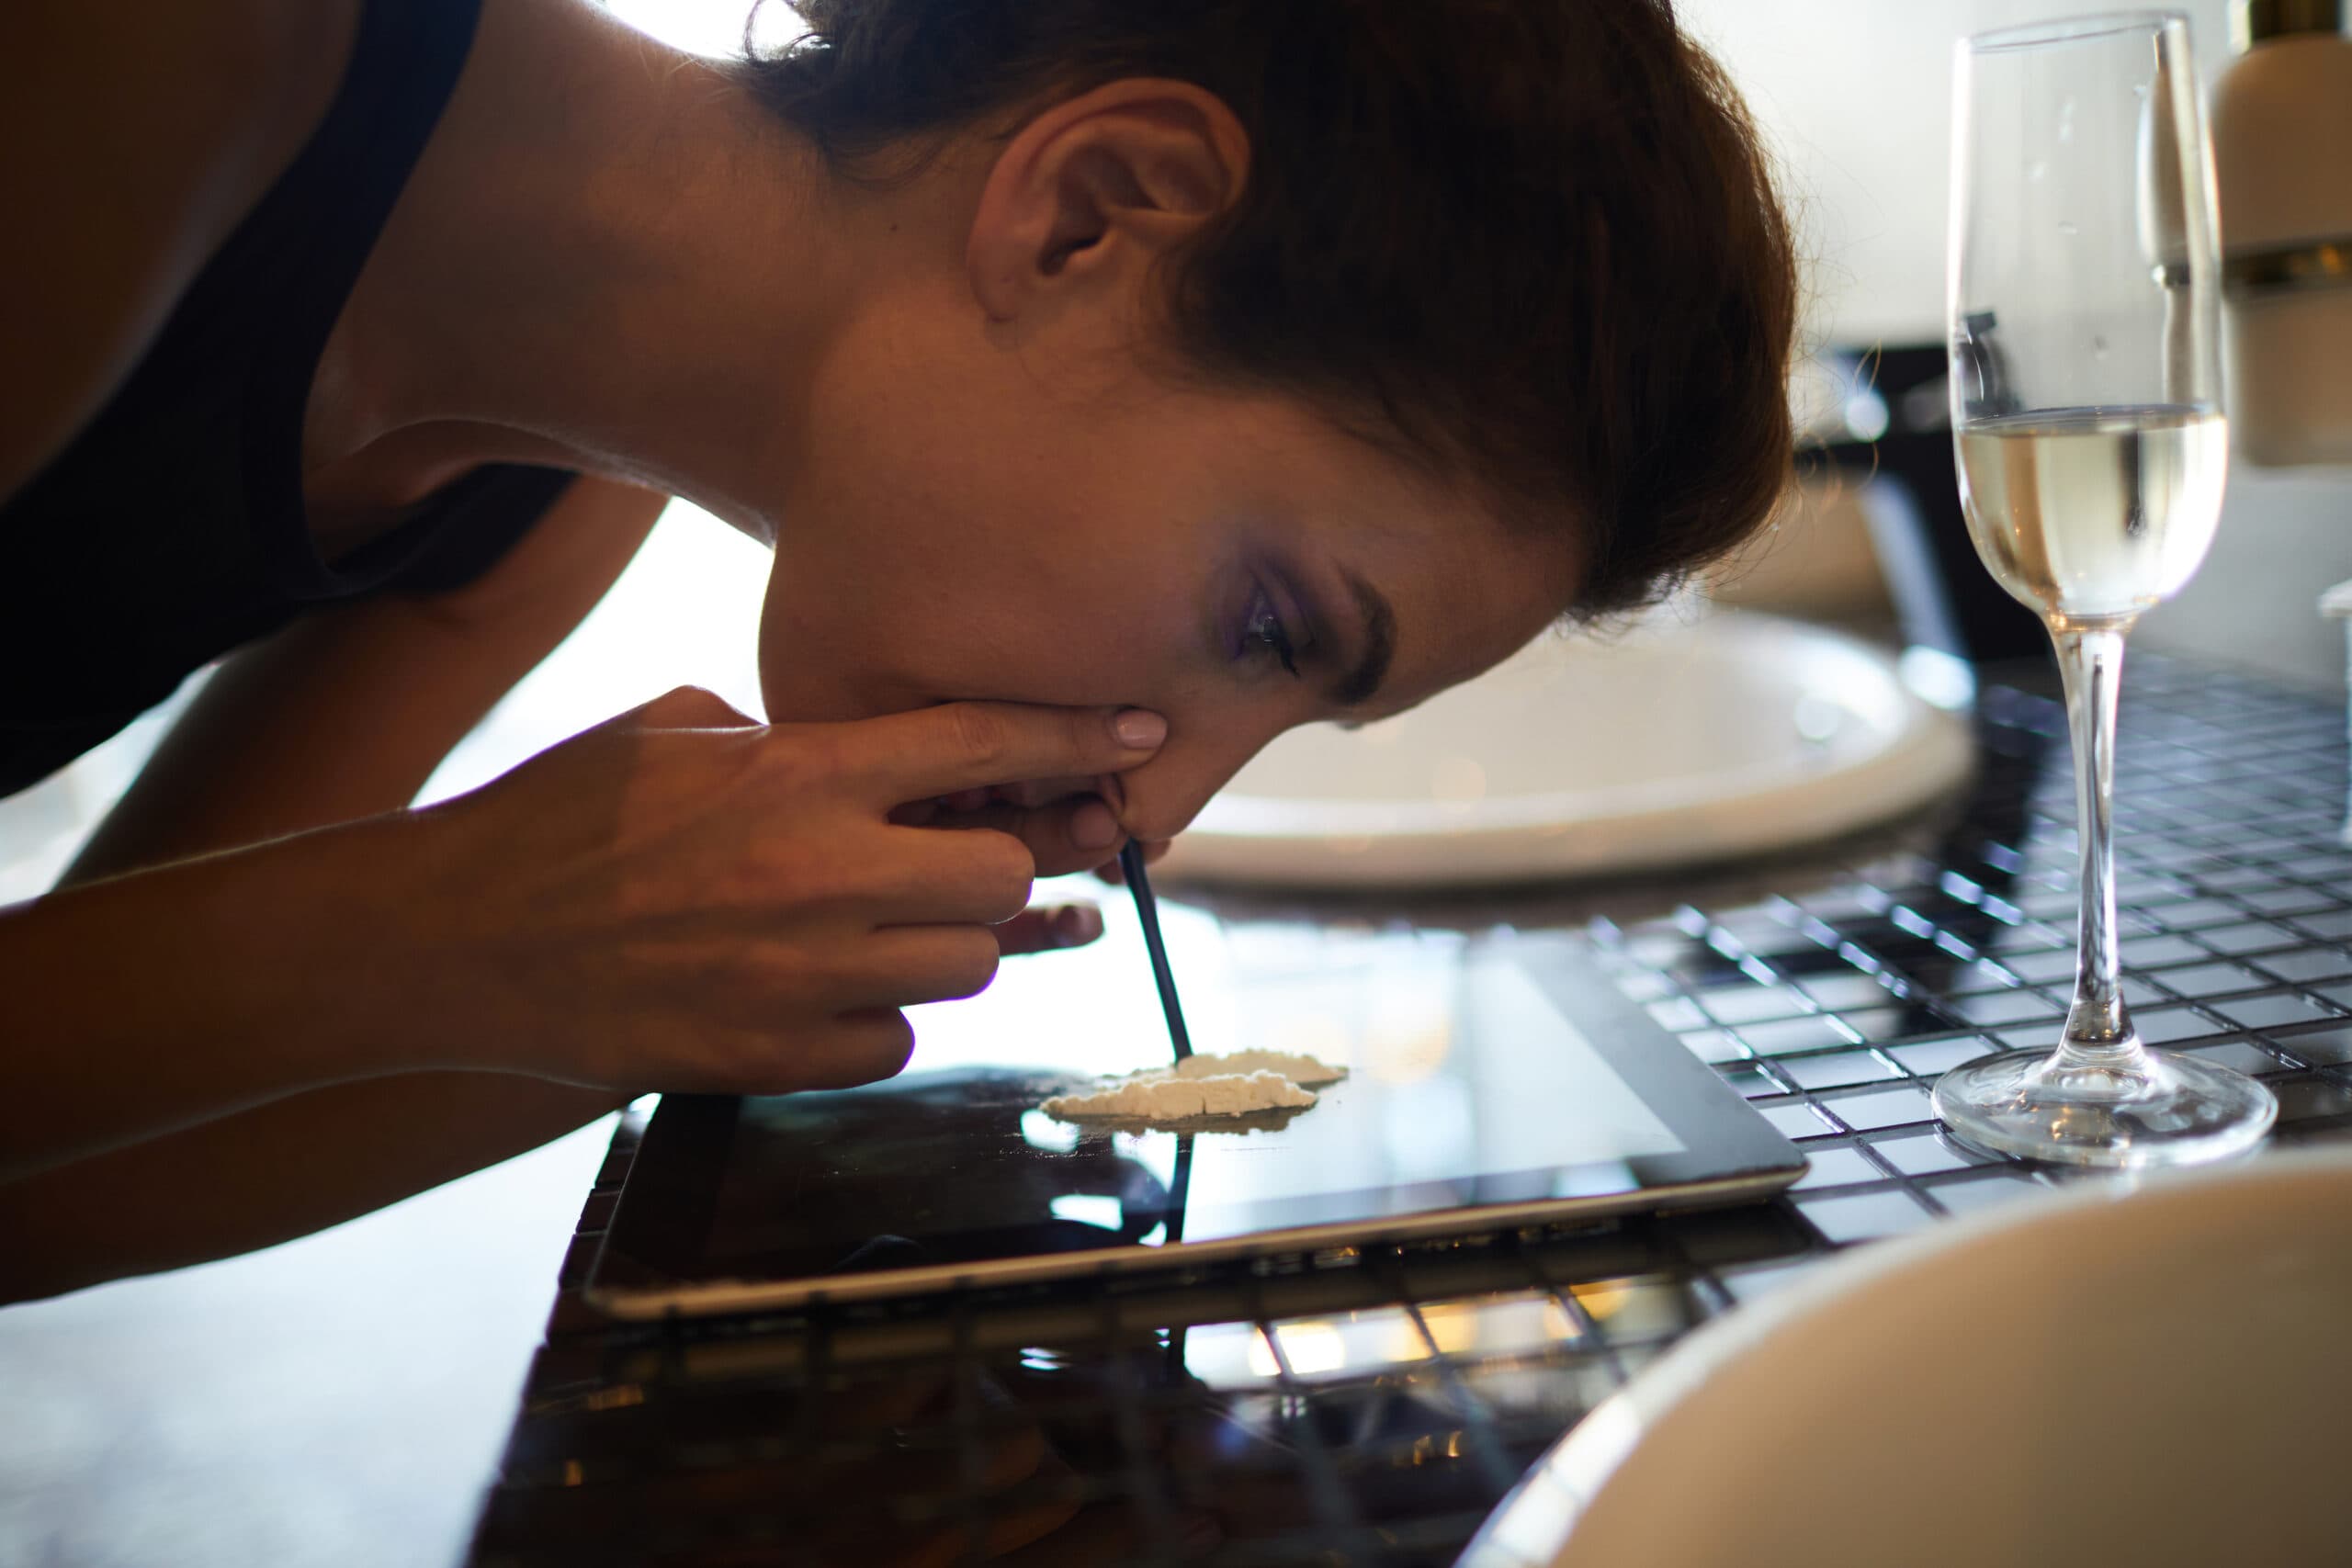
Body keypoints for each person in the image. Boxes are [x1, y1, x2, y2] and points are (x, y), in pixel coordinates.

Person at [0, 0, 1797, 1298]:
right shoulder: (162, 58)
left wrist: (642, 983)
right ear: (1088, 209)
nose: (1150, 809)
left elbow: (54, 1176)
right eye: (1270, 629)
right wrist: (458, 919)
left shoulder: (541, 484)